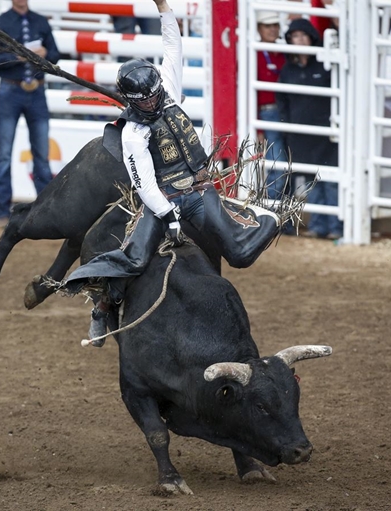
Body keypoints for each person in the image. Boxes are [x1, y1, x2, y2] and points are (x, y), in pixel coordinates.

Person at [65, 0, 282, 342]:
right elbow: (144, 184)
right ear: (133, 100)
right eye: (146, 100)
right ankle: (102, 305)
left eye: (154, 96)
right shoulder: (133, 134)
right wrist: (169, 216)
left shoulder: (168, 90)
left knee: (239, 255)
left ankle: (264, 216)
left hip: (198, 190)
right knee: (135, 258)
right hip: (163, 198)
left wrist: (164, 8)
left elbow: (172, 46)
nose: (153, 103)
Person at [0, 0, 60, 226]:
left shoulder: (40, 21)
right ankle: (1, 210)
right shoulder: (0, 23)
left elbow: (55, 54)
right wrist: (17, 55)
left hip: (35, 91)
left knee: (42, 153)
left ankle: (46, 210)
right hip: (10, 89)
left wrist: (45, 53)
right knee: (4, 152)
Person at [277, 18, 342, 240]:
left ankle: (335, 226)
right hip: (301, 135)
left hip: (325, 133)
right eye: (295, 36)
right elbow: (282, 100)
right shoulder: (287, 70)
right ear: (290, 41)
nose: (300, 39)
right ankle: (319, 225)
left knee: (330, 180)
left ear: (311, 38)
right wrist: (288, 127)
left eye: (303, 35)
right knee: (311, 182)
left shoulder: (324, 64)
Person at [255, 10, 287, 199]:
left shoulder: (284, 52)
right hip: (268, 113)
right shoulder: (256, 53)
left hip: (286, 111)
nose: (273, 30)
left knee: (284, 163)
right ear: (259, 29)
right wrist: (258, 124)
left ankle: (280, 214)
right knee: (278, 164)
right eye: (268, 26)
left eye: (275, 25)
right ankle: (274, 212)